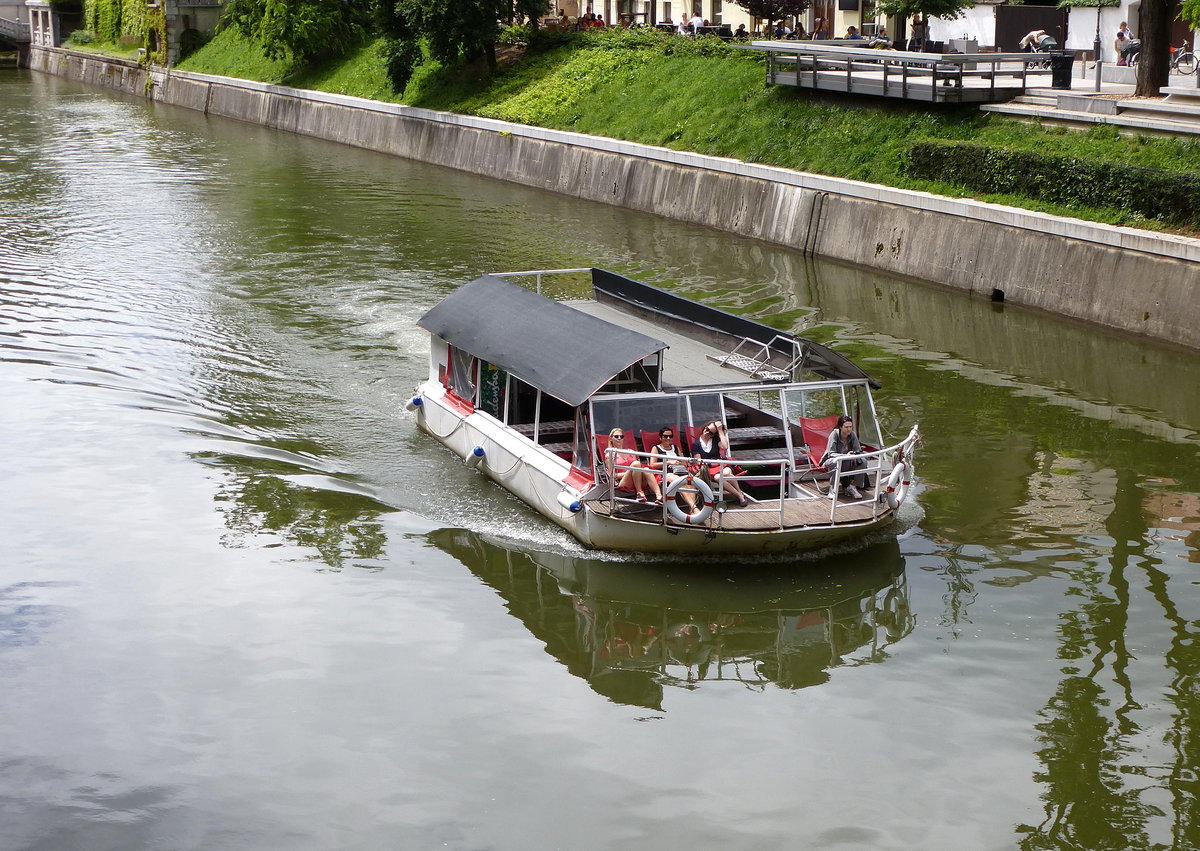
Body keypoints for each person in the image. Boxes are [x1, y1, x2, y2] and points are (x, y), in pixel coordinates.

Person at [691, 421, 750, 507]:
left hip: (721, 465)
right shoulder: (696, 444)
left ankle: (739, 494)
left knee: (725, 473)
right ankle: (740, 494)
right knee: (718, 477)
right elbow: (699, 461)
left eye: (710, 432)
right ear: (704, 427)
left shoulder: (715, 440)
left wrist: (720, 431)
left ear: (713, 435)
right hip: (709, 468)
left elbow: (725, 446)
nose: (707, 432)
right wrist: (712, 463)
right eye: (707, 429)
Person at [605, 427, 663, 505]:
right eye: (616, 436)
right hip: (624, 482)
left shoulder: (630, 452)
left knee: (645, 469)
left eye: (621, 436)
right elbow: (613, 475)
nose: (619, 438)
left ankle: (659, 496)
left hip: (638, 479)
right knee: (636, 464)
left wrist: (634, 470)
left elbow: (638, 468)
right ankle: (639, 492)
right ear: (611, 439)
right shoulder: (609, 455)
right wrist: (631, 471)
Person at [648, 427, 696, 512]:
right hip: (667, 473)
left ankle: (692, 508)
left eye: (670, 436)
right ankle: (694, 508)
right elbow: (652, 465)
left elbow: (685, 463)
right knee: (681, 482)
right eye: (665, 436)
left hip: (681, 471)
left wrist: (678, 462)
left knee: (690, 483)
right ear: (660, 437)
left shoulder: (675, 448)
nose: (668, 438)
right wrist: (669, 462)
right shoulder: (656, 448)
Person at [822, 415, 869, 500]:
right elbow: (831, 454)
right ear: (840, 427)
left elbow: (857, 449)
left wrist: (855, 454)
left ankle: (853, 486)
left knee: (863, 461)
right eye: (846, 427)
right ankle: (832, 488)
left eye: (850, 427)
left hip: (847, 460)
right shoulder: (834, 434)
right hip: (832, 460)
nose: (849, 429)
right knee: (836, 461)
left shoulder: (852, 435)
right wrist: (845, 456)